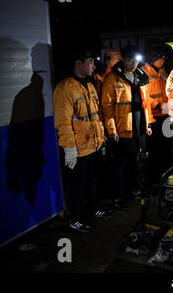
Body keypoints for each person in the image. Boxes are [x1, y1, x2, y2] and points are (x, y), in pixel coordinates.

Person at [53, 47, 112, 233]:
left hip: (92, 144)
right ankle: (75, 218)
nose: (94, 66)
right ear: (78, 63)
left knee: (91, 181)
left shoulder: (89, 85)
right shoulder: (65, 88)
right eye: (91, 62)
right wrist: (69, 148)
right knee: (76, 186)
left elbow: (96, 116)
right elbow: (63, 122)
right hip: (77, 148)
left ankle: (93, 209)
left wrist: (101, 138)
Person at [101, 45, 154, 211]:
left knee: (135, 163)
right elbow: (107, 106)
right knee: (119, 165)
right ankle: (118, 197)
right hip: (122, 130)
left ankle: (134, 190)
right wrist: (112, 130)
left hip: (139, 128)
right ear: (122, 59)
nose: (133, 63)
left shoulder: (141, 77)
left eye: (136, 60)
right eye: (130, 59)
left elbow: (146, 104)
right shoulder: (112, 79)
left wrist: (148, 123)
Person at [141, 45, 170, 185]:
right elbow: (143, 95)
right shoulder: (143, 72)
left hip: (166, 116)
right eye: (161, 58)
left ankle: (164, 178)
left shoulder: (163, 72)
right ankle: (153, 181)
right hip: (153, 117)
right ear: (154, 57)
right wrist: (158, 104)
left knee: (165, 150)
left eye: (164, 58)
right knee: (155, 152)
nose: (163, 61)